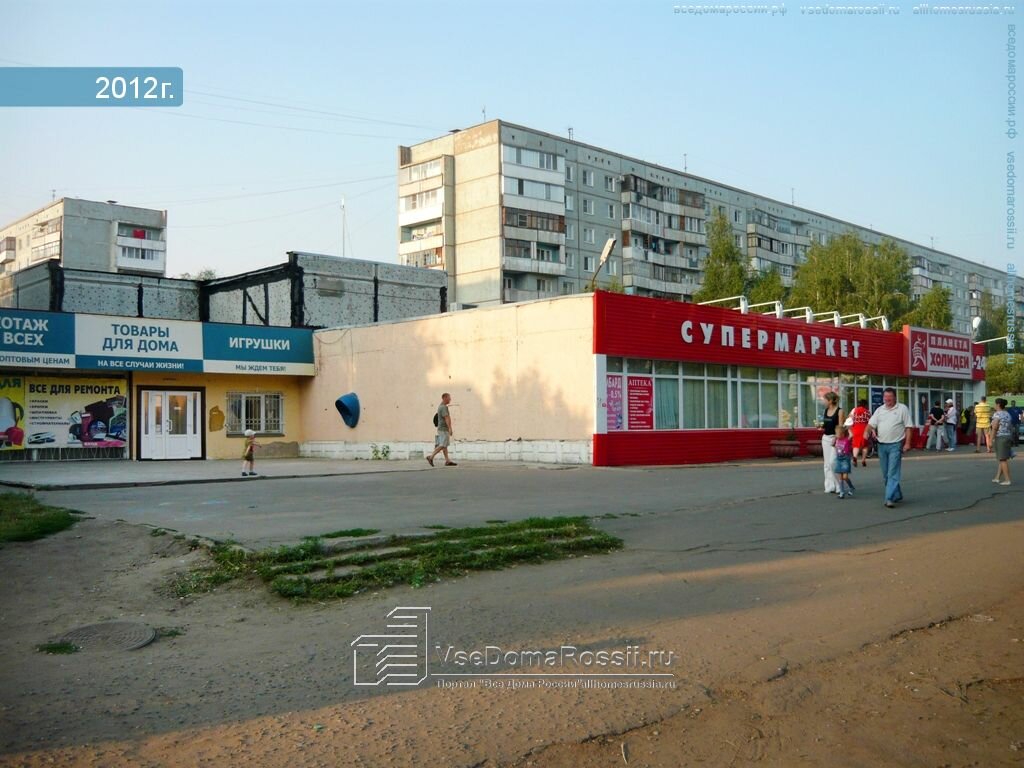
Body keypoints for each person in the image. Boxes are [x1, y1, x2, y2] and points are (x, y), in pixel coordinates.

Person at [866, 387, 913, 508]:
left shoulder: (902, 408)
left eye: (890, 397)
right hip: (881, 445)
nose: (887, 399)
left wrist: (907, 443)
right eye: (885, 397)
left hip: (895, 445)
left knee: (893, 472)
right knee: (886, 474)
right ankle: (896, 494)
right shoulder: (880, 410)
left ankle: (889, 498)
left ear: (895, 397)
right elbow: (871, 424)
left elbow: (908, 427)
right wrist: (866, 432)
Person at [820, 392, 844, 494]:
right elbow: (826, 424)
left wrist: (837, 437)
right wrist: (821, 426)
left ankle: (839, 486)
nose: (823, 401)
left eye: (825, 400)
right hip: (825, 438)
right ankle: (830, 486)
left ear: (830, 401)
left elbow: (841, 426)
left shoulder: (839, 411)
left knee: (832, 462)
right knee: (826, 464)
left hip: (835, 438)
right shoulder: (826, 410)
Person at [426, 392, 458, 467]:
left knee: (445, 446)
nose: (450, 399)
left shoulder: (441, 406)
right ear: (444, 398)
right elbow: (447, 418)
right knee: (443, 445)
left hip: (441, 429)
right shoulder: (443, 407)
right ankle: (431, 457)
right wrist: (450, 428)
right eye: (449, 398)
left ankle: (447, 461)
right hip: (443, 429)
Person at [991, 398, 1013, 486]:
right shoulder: (1007, 414)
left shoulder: (997, 414)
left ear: (998, 405)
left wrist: (991, 440)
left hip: (1000, 437)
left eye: (995, 404)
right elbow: (1010, 426)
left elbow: (995, 427)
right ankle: (997, 477)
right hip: (1007, 436)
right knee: (1002, 458)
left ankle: (1007, 480)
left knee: (1002, 459)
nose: (994, 405)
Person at [833, 423, 854, 499]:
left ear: (842, 434)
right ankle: (842, 492)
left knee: (845, 477)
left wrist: (848, 428)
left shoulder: (847, 440)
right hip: (838, 459)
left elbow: (851, 435)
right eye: (836, 433)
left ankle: (851, 487)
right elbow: (833, 445)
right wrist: (834, 439)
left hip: (845, 459)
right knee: (840, 477)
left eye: (837, 434)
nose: (836, 435)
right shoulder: (837, 440)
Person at [850, 398, 871, 467]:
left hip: (856, 428)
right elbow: (870, 422)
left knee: (856, 445)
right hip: (865, 429)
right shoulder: (868, 412)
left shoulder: (854, 410)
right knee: (865, 445)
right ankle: (863, 460)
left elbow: (850, 419)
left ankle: (855, 457)